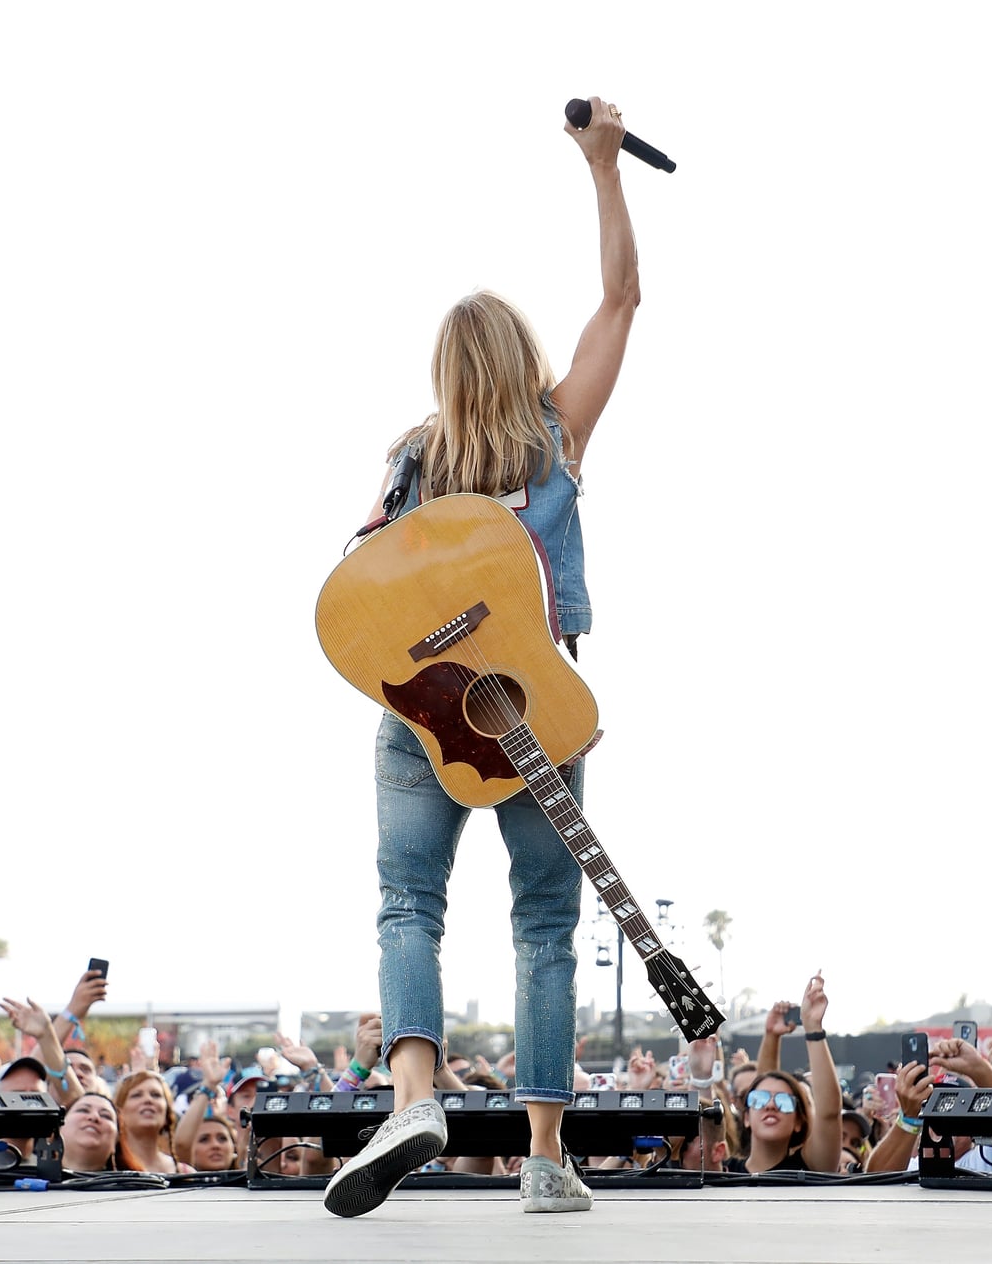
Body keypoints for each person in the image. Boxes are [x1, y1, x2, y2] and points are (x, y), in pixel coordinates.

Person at [323, 95, 640, 1223]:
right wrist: (601, 166)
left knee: (408, 903)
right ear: (519, 361)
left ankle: (415, 1092)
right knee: (544, 924)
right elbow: (619, 300)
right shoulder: (554, 443)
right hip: (535, 714)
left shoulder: (409, 463)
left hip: (419, 717)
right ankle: (545, 1159)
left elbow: (348, 589)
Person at [111, 1070, 185, 1174]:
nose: (148, 1100)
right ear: (119, 1112)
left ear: (167, 1113)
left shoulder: (185, 1173)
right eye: (136, 1095)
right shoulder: (106, 1170)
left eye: (155, 1095)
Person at [57, 1092, 119, 1174]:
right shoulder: (34, 1182)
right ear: (59, 1127)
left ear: (116, 1140)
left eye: (105, 1115)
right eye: (83, 1110)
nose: (94, 1117)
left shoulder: (135, 1185)